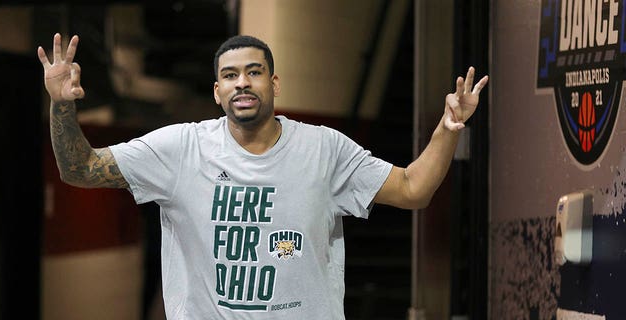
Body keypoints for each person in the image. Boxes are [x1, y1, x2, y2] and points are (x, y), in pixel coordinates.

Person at [38, 33, 488, 319]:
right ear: (217, 92)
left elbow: (413, 189)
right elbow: (80, 169)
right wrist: (61, 103)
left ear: (274, 84)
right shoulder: (180, 149)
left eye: (254, 72)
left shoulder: (323, 149)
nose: (242, 83)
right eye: (230, 76)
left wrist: (448, 130)